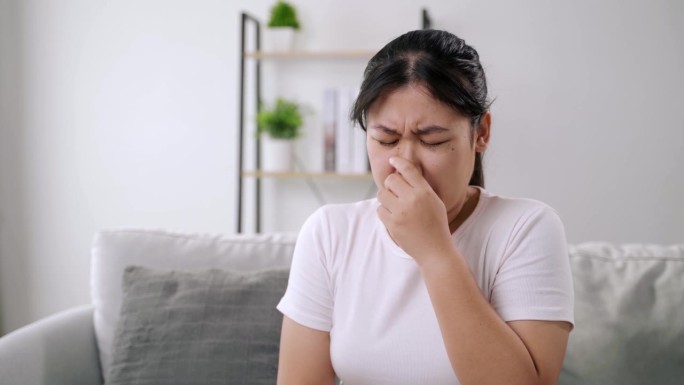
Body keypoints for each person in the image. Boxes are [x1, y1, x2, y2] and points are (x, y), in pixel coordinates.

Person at [276, 29, 574, 385]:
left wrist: (435, 253)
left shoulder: (526, 228)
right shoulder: (329, 232)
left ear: (481, 134)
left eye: (432, 140)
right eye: (385, 139)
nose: (405, 163)